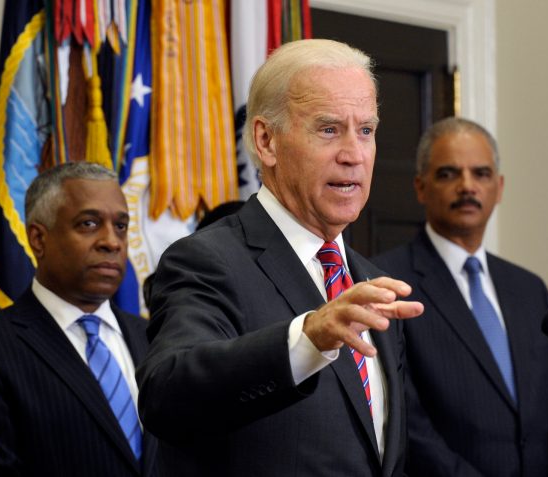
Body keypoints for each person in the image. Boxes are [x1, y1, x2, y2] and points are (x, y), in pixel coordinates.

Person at [136, 39, 423, 476]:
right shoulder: (207, 261)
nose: (353, 155)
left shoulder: (371, 284)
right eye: (329, 129)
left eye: (365, 130)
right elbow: (168, 395)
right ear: (266, 140)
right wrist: (307, 339)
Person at [372, 117, 548, 476]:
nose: (467, 186)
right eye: (448, 174)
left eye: (481, 174)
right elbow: (406, 420)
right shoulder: (388, 283)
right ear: (421, 187)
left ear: (499, 187)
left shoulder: (528, 288)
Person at [0, 162, 160, 476]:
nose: (112, 241)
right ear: (38, 238)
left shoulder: (156, 339)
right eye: (89, 224)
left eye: (120, 226)